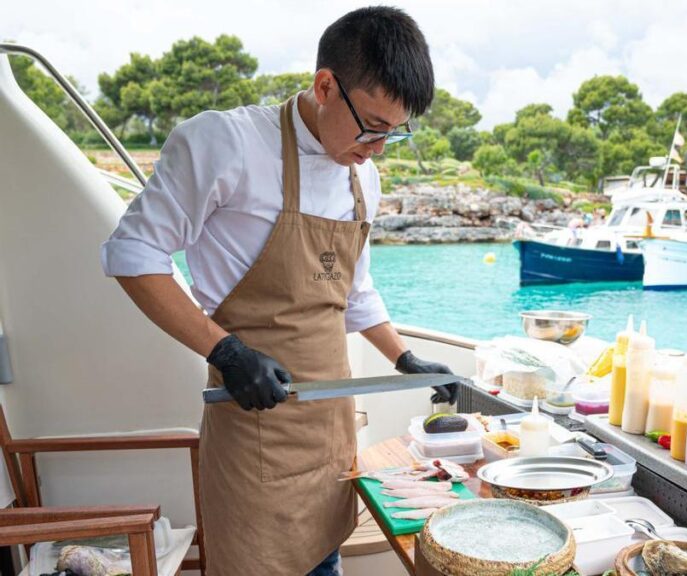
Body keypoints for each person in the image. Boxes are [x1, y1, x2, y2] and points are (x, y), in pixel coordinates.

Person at [100, 8, 455, 575]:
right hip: (255, 433)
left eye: (395, 131)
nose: (380, 148)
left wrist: (404, 358)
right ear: (325, 86)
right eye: (373, 126)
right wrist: (226, 352)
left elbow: (354, 291)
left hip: (330, 432)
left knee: (325, 560)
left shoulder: (361, 174)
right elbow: (133, 254)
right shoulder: (226, 143)